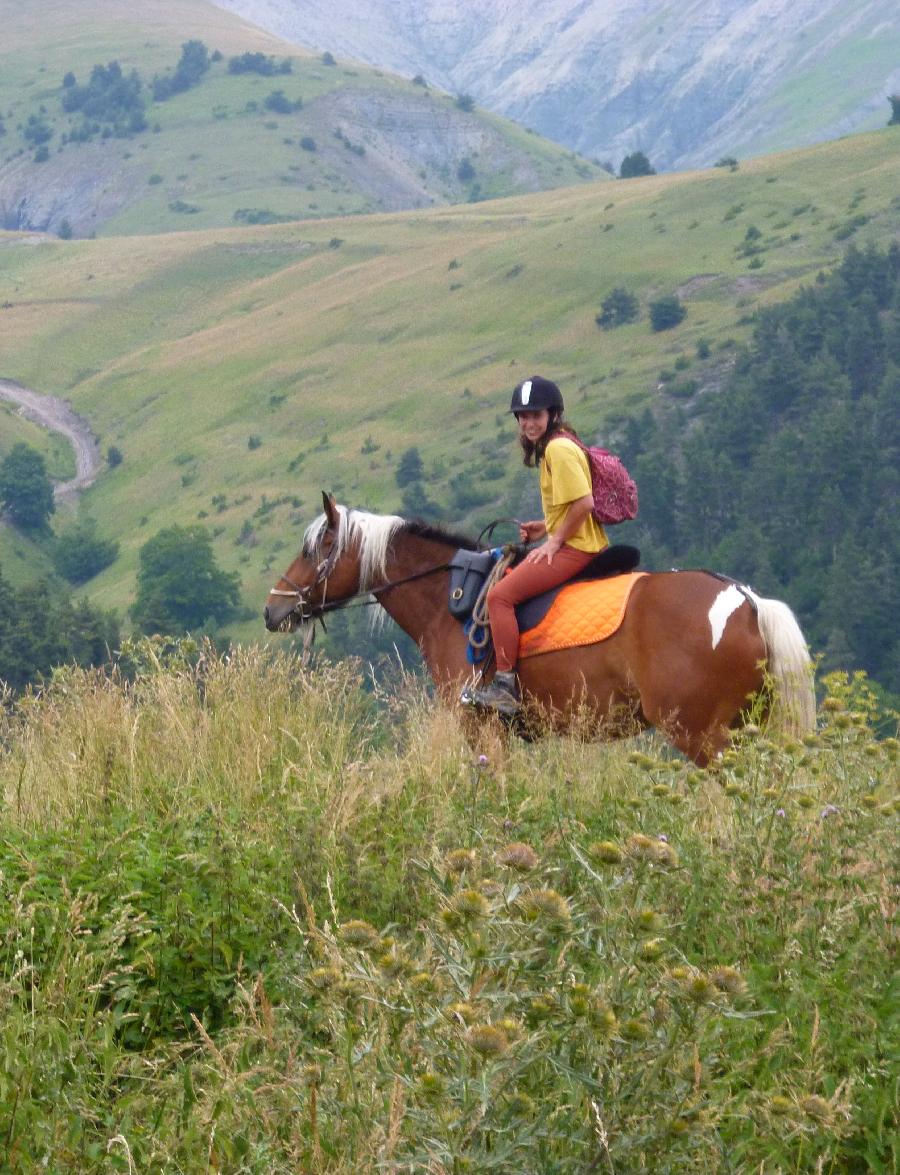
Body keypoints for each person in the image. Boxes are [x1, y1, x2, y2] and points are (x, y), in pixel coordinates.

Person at [467, 376, 608, 715]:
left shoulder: (558, 449)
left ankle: (505, 685)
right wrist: (544, 527)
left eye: (536, 415)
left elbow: (586, 503)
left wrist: (555, 540)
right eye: (523, 416)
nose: (529, 423)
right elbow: (570, 505)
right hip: (577, 541)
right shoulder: (558, 445)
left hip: (575, 549)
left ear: (553, 414)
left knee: (499, 597)